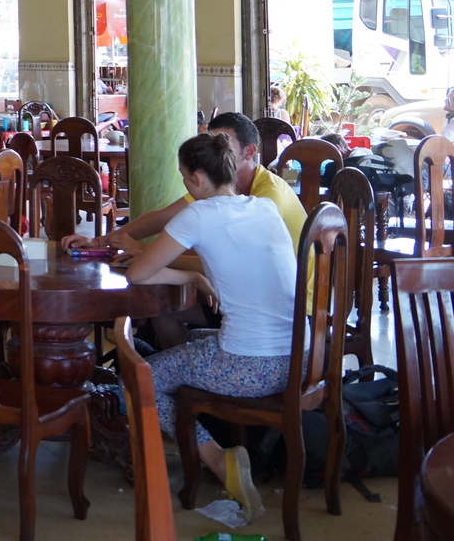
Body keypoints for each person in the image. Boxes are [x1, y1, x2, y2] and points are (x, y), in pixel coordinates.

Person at [124, 133, 296, 525]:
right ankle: (209, 436)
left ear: (198, 178)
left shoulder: (199, 214)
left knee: (138, 377)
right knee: (194, 341)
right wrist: (198, 276)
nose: (186, 184)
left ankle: (219, 459)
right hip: (298, 359)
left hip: (250, 367)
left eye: (185, 177)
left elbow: (138, 273)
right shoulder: (264, 207)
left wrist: (192, 276)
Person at [62, 111, 307, 348]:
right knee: (166, 314)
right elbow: (161, 218)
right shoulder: (229, 194)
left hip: (297, 308)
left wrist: (147, 252)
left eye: (221, 144)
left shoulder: (266, 196)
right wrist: (99, 241)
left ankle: (183, 369)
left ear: (248, 152)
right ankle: (184, 364)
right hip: (290, 338)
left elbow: (227, 262)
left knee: (144, 362)